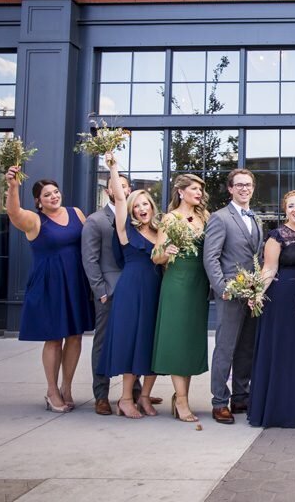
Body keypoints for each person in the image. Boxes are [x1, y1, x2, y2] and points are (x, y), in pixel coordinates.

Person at [4, 167, 93, 413]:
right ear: (38, 201)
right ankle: (52, 391)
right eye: (47, 195)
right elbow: (13, 212)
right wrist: (12, 186)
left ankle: (67, 387)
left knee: (74, 336)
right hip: (50, 283)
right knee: (54, 338)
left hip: (76, 280)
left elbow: (91, 242)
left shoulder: (76, 213)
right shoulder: (34, 220)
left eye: (55, 192)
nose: (54, 197)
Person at [97, 151, 163, 418]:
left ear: (152, 207)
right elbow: (121, 197)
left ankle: (145, 397)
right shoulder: (126, 230)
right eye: (137, 205)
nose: (141, 208)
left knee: (152, 341)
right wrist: (113, 168)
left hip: (157, 289)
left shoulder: (161, 231)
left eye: (145, 204)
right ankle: (125, 398)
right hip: (132, 290)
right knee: (132, 340)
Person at [249, 190, 295, 428]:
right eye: (291, 206)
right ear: (285, 210)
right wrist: (257, 293)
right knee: (283, 352)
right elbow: (268, 269)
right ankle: (279, 410)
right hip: (281, 300)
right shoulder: (277, 236)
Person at [81, 170, 148, 415]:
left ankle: (135, 392)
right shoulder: (96, 220)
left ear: (129, 189)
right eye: (116, 185)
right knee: (104, 342)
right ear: (108, 190)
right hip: (109, 291)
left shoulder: (138, 218)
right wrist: (101, 290)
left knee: (134, 339)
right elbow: (90, 260)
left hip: (135, 290)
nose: (121, 189)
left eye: (125, 185)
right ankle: (101, 394)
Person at [204, 169, 263, 425]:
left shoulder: (256, 218)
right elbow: (211, 257)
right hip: (230, 293)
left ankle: (241, 396)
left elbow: (257, 257)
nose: (244, 189)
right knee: (225, 349)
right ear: (230, 189)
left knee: (246, 349)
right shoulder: (219, 218)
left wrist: (259, 288)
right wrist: (222, 288)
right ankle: (219, 401)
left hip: (253, 293)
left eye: (248, 185)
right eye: (238, 185)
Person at [152, 173, 211, 423]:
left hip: (200, 282)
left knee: (189, 341)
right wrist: (167, 251)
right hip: (177, 283)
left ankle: (181, 397)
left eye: (200, 189)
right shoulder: (170, 218)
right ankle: (182, 400)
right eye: (194, 189)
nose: (198, 193)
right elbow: (156, 256)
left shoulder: (205, 217)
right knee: (177, 340)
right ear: (181, 191)